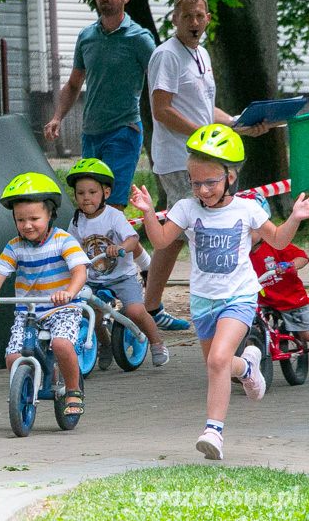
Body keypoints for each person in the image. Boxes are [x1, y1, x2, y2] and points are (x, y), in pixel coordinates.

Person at [129, 124, 309, 460]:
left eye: (210, 182)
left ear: (230, 178)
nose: (202, 190)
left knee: (216, 360)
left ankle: (214, 432)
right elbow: (161, 241)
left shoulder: (246, 209)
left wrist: (295, 218)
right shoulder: (186, 208)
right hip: (202, 300)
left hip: (239, 296)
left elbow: (279, 241)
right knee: (222, 365)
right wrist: (148, 213)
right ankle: (249, 369)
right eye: (195, 182)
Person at [144, 0, 271, 332]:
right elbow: (162, 110)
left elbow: (203, 108)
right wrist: (204, 134)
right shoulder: (166, 56)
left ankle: (159, 305)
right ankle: (155, 307)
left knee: (193, 232)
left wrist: (237, 124)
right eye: (187, 16)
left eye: (200, 16)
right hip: (179, 159)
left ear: (208, 19)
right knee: (183, 232)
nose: (195, 22)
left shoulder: (200, 54)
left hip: (209, 154)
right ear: (174, 18)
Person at [44, 0, 155, 214]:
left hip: (124, 130)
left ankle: (115, 250)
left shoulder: (140, 38)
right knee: (92, 206)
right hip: (91, 133)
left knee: (112, 207)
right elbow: (74, 84)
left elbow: (159, 83)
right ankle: (115, 251)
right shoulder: (86, 36)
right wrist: (56, 117)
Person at [0, 173, 90, 416]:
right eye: (20, 219)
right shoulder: (14, 246)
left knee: (61, 344)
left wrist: (69, 293)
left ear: (50, 214)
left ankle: (73, 389)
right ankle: (27, 388)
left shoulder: (63, 240)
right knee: (12, 357)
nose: (27, 225)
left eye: (34, 218)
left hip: (62, 308)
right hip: (28, 311)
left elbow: (79, 272)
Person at [65, 158, 169, 369]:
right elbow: (70, 245)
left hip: (122, 277)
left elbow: (133, 239)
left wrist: (120, 247)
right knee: (87, 311)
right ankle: (104, 344)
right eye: (80, 193)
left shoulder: (114, 216)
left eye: (92, 192)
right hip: (93, 277)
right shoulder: (77, 221)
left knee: (135, 312)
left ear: (106, 193)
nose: (86, 198)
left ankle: (157, 342)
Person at [243, 191, 309, 344]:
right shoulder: (241, 251)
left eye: (251, 229)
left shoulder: (276, 243)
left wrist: (291, 265)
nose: (245, 235)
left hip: (290, 299)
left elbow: (303, 257)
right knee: (245, 328)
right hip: (262, 300)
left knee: (305, 334)